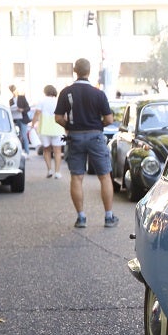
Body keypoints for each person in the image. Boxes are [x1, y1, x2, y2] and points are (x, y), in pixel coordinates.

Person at [54, 58, 118, 228]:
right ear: (89, 72)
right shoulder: (98, 94)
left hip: (75, 136)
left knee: (77, 176)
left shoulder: (66, 92)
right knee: (104, 176)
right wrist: (98, 125)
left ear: (75, 71)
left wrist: (70, 126)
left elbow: (58, 118)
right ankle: (108, 217)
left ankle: (81, 217)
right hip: (95, 136)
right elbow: (109, 119)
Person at [32, 84, 64, 179]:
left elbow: (37, 113)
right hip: (57, 128)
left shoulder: (42, 101)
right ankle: (57, 172)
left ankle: (49, 170)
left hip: (45, 128)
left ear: (45, 92)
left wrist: (33, 124)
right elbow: (63, 114)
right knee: (57, 151)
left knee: (46, 150)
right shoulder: (58, 101)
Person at [8, 84, 31, 155]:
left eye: (14, 90)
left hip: (23, 119)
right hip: (15, 119)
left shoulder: (22, 98)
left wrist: (22, 110)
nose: (14, 92)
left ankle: (27, 152)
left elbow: (28, 108)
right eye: (12, 91)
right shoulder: (11, 100)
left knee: (24, 135)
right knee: (16, 136)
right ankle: (18, 152)